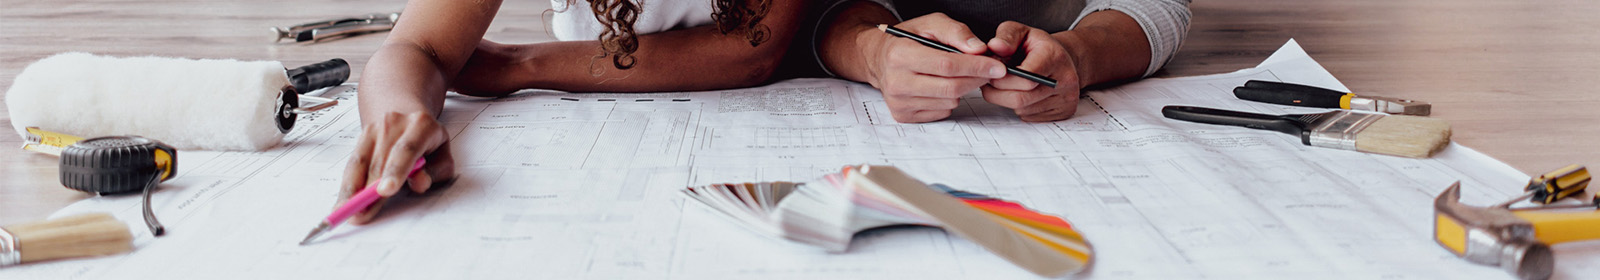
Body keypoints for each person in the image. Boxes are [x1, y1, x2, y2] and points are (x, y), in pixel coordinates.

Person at [343, 0, 806, 222]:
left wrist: (521, 64)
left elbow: (753, 48)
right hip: (598, 130)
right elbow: (416, 44)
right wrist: (401, 113)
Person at [814, 0, 1190, 123]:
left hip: (1071, 39)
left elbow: (1158, 4)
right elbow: (824, 10)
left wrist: (1078, 55)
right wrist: (873, 52)